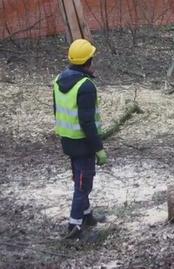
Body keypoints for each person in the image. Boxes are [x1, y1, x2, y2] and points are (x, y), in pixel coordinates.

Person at [53, 39, 107, 239]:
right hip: (84, 143)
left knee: (79, 178)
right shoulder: (86, 86)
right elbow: (87, 121)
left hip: (68, 140)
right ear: (88, 61)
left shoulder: (58, 80)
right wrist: (99, 148)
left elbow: (56, 110)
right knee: (83, 185)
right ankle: (74, 226)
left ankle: (86, 216)